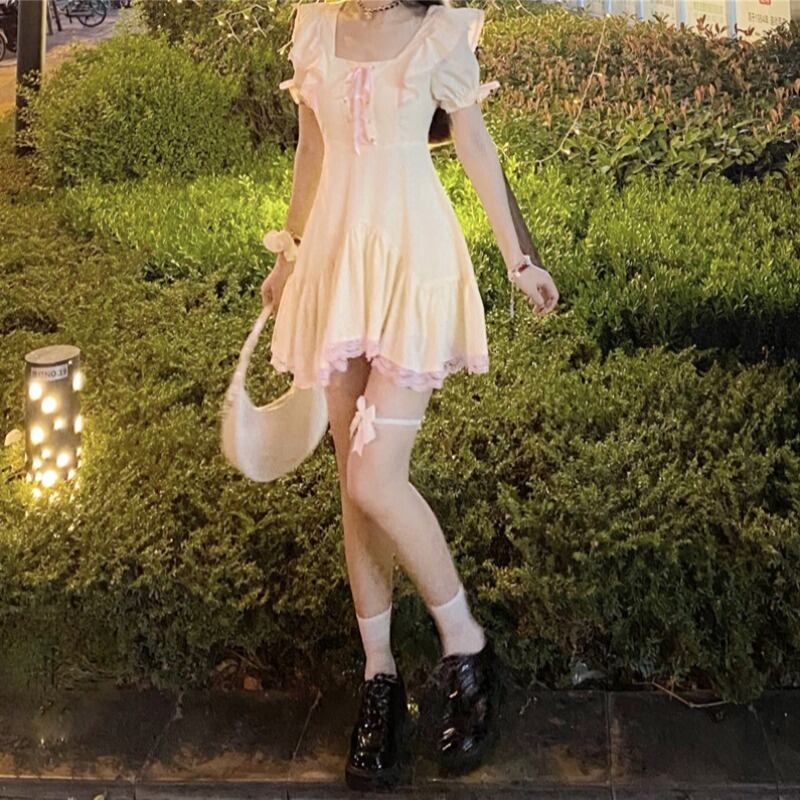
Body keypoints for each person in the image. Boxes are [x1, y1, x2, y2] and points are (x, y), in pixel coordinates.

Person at [261, 0, 559, 791]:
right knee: (351, 485)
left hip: (411, 262)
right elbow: (311, 149)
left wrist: (519, 260)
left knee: (375, 474)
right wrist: (288, 256)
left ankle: (466, 646)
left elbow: (474, 143)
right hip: (334, 263)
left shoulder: (440, 33)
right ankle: (380, 679)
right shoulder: (314, 27)